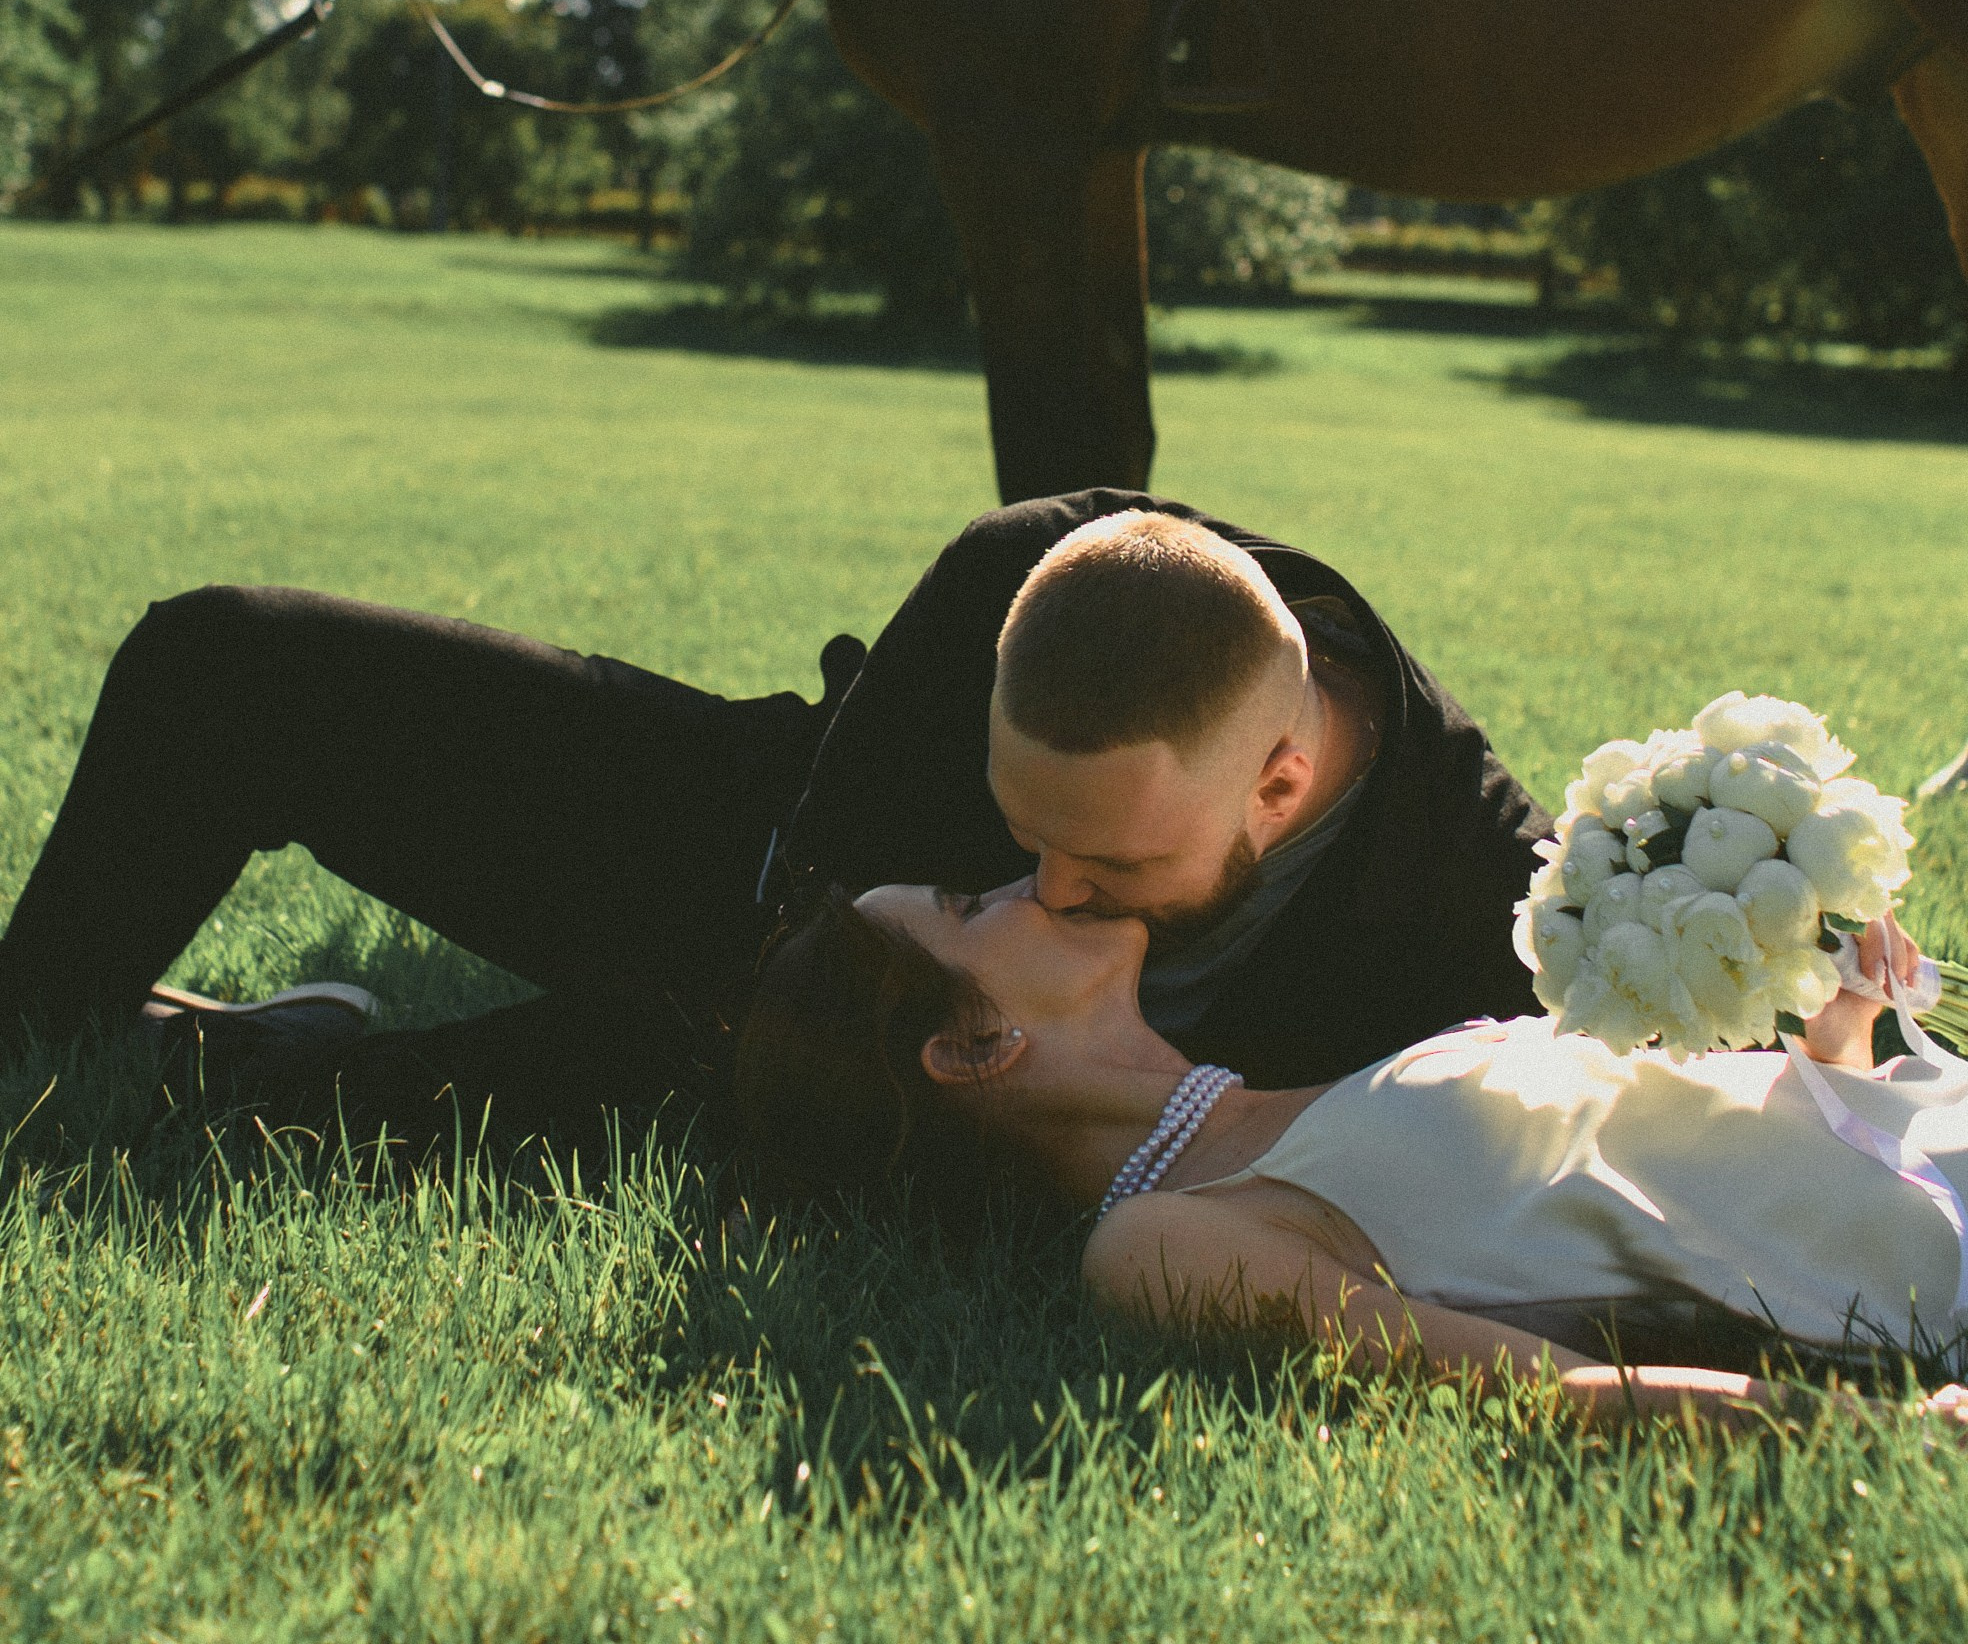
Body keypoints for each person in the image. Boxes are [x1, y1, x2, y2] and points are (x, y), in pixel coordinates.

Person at [0, 495, 1548, 1143]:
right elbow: (784, 942)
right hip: (740, 877)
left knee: (645, 1086)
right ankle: (48, 1018)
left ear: (1279, 783)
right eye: (1027, 836)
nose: (1053, 889)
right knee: (225, 660)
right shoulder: (1042, 573)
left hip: (830, 1098)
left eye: (1119, 868)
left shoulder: (1473, 904)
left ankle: (252, 1067)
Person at [736, 879, 1968, 1429]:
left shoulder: (1293, 1084)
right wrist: (1880, 1438)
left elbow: (1694, 1154)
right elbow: (1545, 1388)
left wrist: (1837, 1028)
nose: (1025, 882)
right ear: (969, 1045)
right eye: (969, 905)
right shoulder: (1163, 1234)